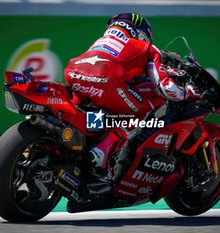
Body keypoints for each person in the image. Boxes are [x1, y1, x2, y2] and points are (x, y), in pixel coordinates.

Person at [64, 12, 200, 175]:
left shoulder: (100, 43)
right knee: (148, 105)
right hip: (107, 81)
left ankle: (80, 142)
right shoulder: (147, 47)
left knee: (91, 113)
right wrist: (187, 93)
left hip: (73, 74)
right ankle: (100, 152)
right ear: (142, 33)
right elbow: (165, 87)